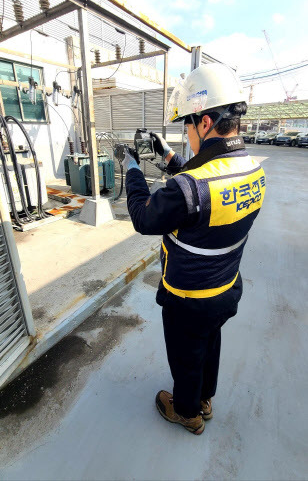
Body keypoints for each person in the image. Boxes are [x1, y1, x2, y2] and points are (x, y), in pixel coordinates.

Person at [122, 62, 266, 435]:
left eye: (187, 125)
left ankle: (187, 412)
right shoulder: (253, 170)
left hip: (188, 296)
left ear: (205, 123)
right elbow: (209, 180)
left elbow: (144, 217)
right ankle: (205, 398)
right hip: (225, 289)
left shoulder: (187, 189)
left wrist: (133, 169)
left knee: (186, 356)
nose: (186, 133)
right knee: (210, 344)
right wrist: (169, 157)